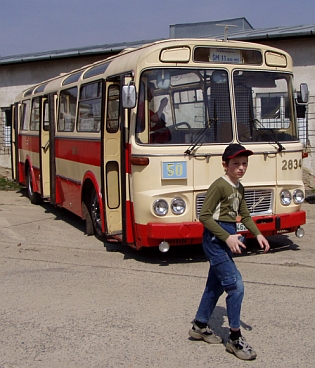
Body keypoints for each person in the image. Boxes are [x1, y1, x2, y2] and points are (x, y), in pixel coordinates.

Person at [189, 143, 270, 361]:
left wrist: (259, 234)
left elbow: (244, 214)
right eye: (236, 164)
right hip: (216, 238)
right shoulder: (220, 185)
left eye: (244, 164)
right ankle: (235, 338)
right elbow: (204, 216)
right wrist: (227, 236)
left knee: (214, 286)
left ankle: (199, 325)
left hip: (228, 235)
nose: (241, 168)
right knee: (236, 286)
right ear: (225, 165)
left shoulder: (239, 187)